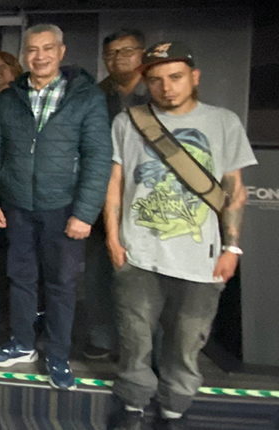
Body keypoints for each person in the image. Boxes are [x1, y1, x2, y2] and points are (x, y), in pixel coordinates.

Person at [106, 42, 256, 430]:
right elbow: (115, 183)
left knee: (187, 342)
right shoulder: (129, 121)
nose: (166, 88)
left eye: (175, 78)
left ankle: (174, 407)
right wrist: (113, 238)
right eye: (155, 80)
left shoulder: (224, 122)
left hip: (201, 256)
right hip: (138, 252)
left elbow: (234, 188)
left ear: (194, 77)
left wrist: (232, 246)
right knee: (134, 338)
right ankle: (134, 403)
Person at [0, 24, 112, 390]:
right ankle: (23, 344)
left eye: (47, 49)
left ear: (61, 51)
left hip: (64, 208)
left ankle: (58, 355)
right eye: (33, 50)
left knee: (61, 285)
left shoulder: (84, 97)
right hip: (17, 205)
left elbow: (98, 158)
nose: (40, 56)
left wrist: (85, 213)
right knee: (20, 279)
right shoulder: (9, 98)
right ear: (24, 55)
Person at [83, 29, 152, 361]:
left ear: (142, 54)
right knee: (98, 272)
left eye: (126, 51)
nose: (118, 58)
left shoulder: (159, 93)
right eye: (111, 54)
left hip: (148, 200)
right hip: (100, 198)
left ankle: (140, 346)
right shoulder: (96, 96)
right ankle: (102, 337)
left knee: (143, 278)